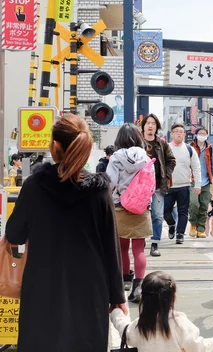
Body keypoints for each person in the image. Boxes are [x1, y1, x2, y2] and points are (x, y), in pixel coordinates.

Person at [6, 114, 126, 352]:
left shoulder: (34, 185)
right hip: (90, 290)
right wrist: (118, 296)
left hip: (43, 286)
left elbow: (15, 234)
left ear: (55, 146)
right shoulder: (99, 191)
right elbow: (111, 248)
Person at [110, 271, 213, 352]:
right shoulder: (179, 324)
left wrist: (116, 312)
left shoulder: (141, 325)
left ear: (144, 299)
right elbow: (198, 347)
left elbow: (125, 330)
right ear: (173, 299)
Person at [107, 123, 154, 302]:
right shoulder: (145, 157)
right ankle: (138, 286)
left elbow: (110, 181)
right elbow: (151, 183)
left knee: (122, 247)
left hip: (120, 205)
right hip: (141, 206)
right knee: (139, 248)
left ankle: (125, 280)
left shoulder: (115, 158)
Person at [143, 113, 176, 257]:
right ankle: (140, 240)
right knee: (141, 214)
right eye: (148, 123)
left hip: (157, 185)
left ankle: (155, 243)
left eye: (153, 123)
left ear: (157, 127)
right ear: (143, 125)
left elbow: (171, 160)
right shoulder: (137, 142)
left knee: (157, 215)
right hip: (140, 186)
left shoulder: (161, 143)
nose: (150, 126)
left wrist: (166, 174)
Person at [164, 123, 202, 245]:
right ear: (172, 133)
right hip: (169, 186)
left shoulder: (189, 149)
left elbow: (196, 167)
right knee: (166, 211)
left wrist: (198, 184)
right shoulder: (166, 148)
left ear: (185, 134)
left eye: (182, 131)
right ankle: (171, 224)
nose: (179, 133)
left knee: (183, 211)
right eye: (176, 131)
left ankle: (180, 234)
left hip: (184, 185)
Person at [190, 127, 213, 239]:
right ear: (196, 135)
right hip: (192, 180)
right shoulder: (190, 147)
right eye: (200, 133)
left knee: (204, 205)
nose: (202, 135)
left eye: (204, 133)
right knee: (193, 204)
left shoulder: (210, 149)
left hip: (206, 181)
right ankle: (193, 224)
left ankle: (201, 229)